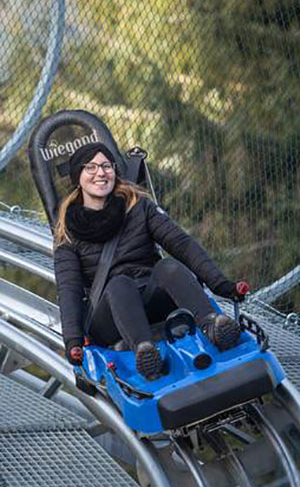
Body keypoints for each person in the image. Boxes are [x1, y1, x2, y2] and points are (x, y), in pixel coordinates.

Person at [54, 142, 250, 380]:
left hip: (149, 294)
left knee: (168, 266)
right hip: (109, 313)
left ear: (114, 171)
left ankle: (212, 325)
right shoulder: (68, 232)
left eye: (106, 166)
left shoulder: (138, 207)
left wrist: (223, 285)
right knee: (119, 284)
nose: (101, 173)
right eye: (91, 167)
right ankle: (145, 352)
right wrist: (73, 340)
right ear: (78, 177)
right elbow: (68, 289)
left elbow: (182, 244)